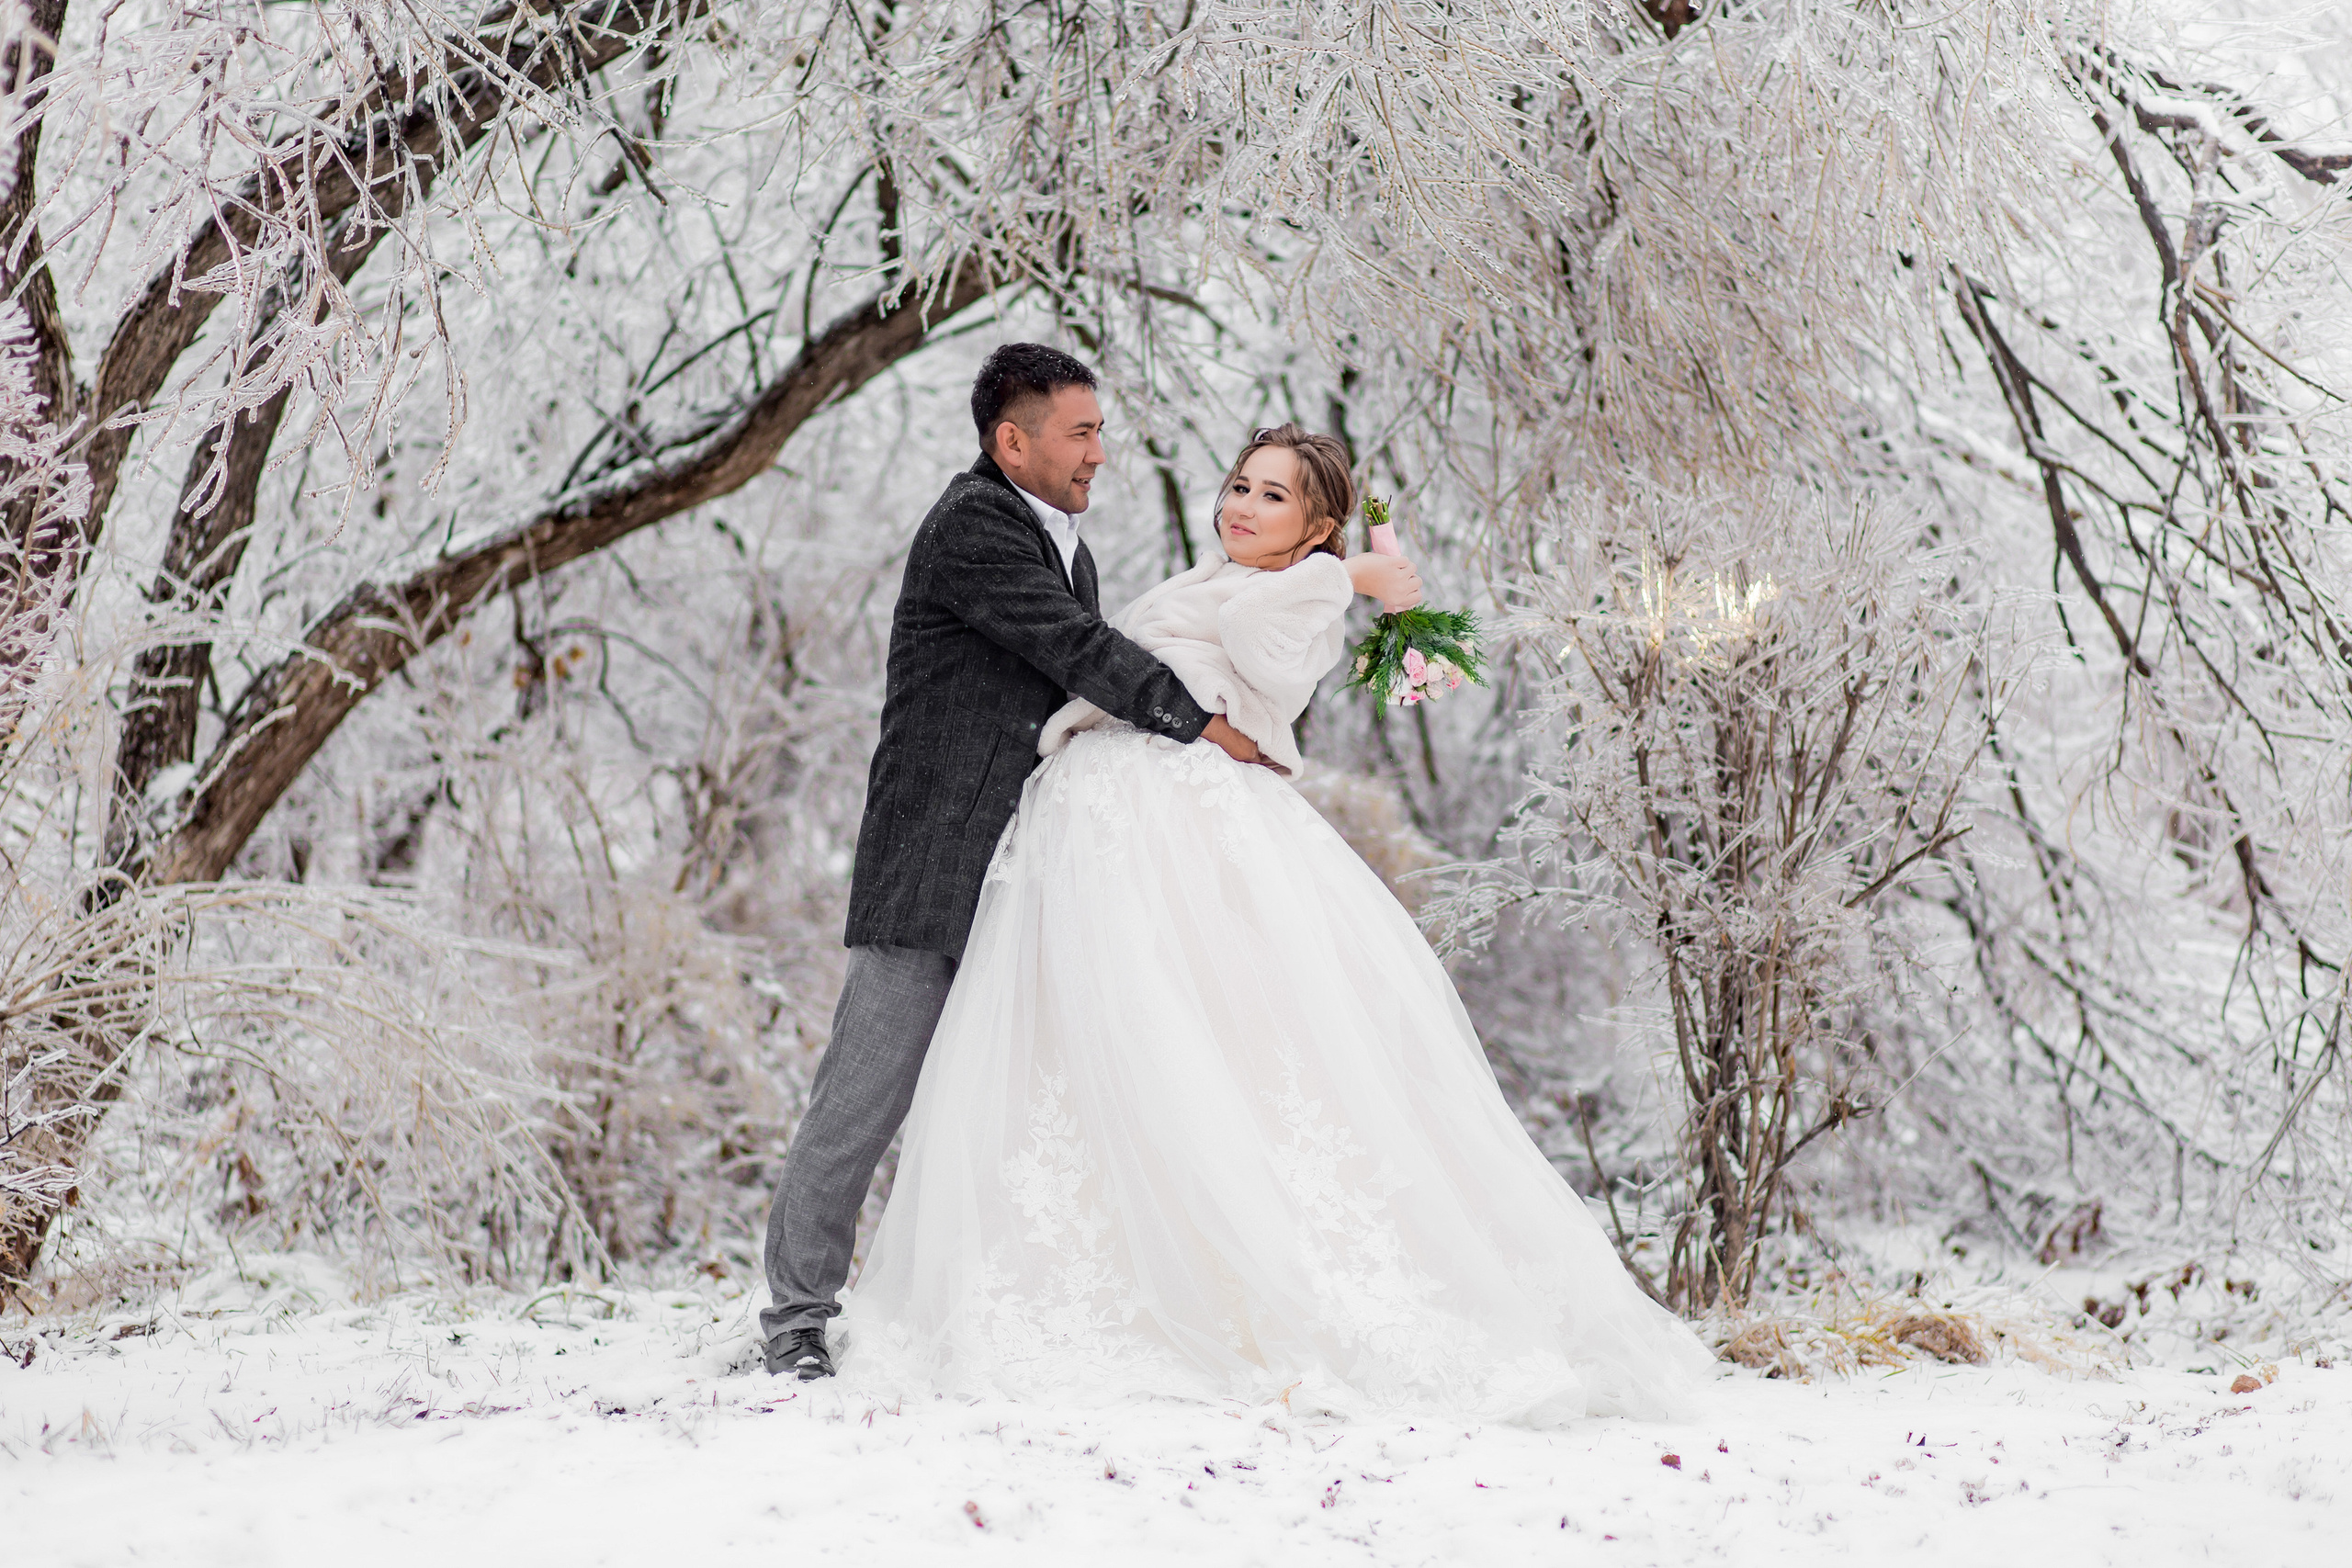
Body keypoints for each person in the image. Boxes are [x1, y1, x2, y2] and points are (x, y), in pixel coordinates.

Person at [832, 424, 1715, 1425]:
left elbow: (1255, 646)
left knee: (1205, 1035)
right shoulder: (1222, 574)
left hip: (1177, 816)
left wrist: (1349, 578)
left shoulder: (1297, 597)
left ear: (1318, 528)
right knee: (1099, 1045)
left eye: (1274, 498)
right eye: (1239, 486)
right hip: (1107, 812)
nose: (1243, 507)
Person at [756, 347, 1389, 1378]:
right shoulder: (975, 527)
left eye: (1100, 430)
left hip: (1030, 866)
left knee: (1021, 1101)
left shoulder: (1063, 544)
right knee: (864, 1093)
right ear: (1015, 441)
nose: (1100, 451)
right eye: (1081, 432)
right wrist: (1207, 725)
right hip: (937, 861)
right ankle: (794, 1320)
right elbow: (1079, 653)